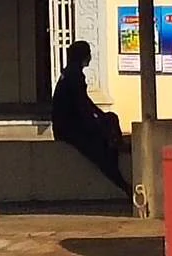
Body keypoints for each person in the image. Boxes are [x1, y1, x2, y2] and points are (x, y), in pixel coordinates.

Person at [51, 41, 129, 192]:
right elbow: (82, 105)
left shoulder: (70, 73)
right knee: (102, 151)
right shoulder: (74, 76)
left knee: (110, 118)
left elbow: (86, 102)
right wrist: (96, 123)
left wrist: (100, 115)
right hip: (69, 128)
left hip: (67, 125)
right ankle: (121, 183)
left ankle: (116, 147)